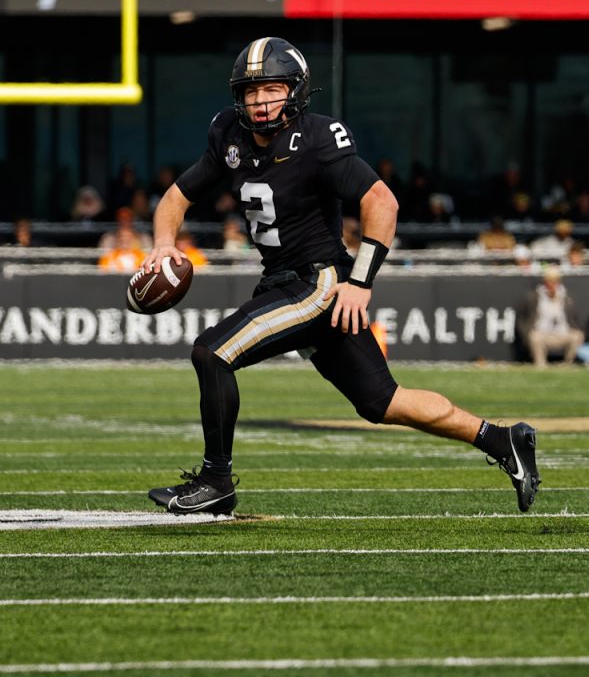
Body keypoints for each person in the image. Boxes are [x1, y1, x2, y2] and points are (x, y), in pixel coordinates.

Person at [142, 37, 540, 516]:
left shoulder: (316, 137)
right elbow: (175, 199)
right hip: (282, 282)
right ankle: (502, 439)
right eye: (251, 92)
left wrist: (361, 282)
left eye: (271, 89)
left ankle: (216, 481)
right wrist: (164, 243)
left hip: (317, 283)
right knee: (382, 401)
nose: (260, 102)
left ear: (296, 90)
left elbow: (381, 202)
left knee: (212, 352)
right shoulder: (228, 136)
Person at [519, 265, 583, 367]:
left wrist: (557, 298)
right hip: (542, 333)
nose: (552, 284)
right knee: (534, 337)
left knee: (577, 336)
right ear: (545, 282)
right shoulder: (534, 296)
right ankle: (541, 366)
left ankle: (567, 365)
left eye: (555, 281)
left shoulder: (566, 297)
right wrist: (526, 332)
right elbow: (523, 317)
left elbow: (573, 318)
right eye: (549, 281)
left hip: (562, 333)